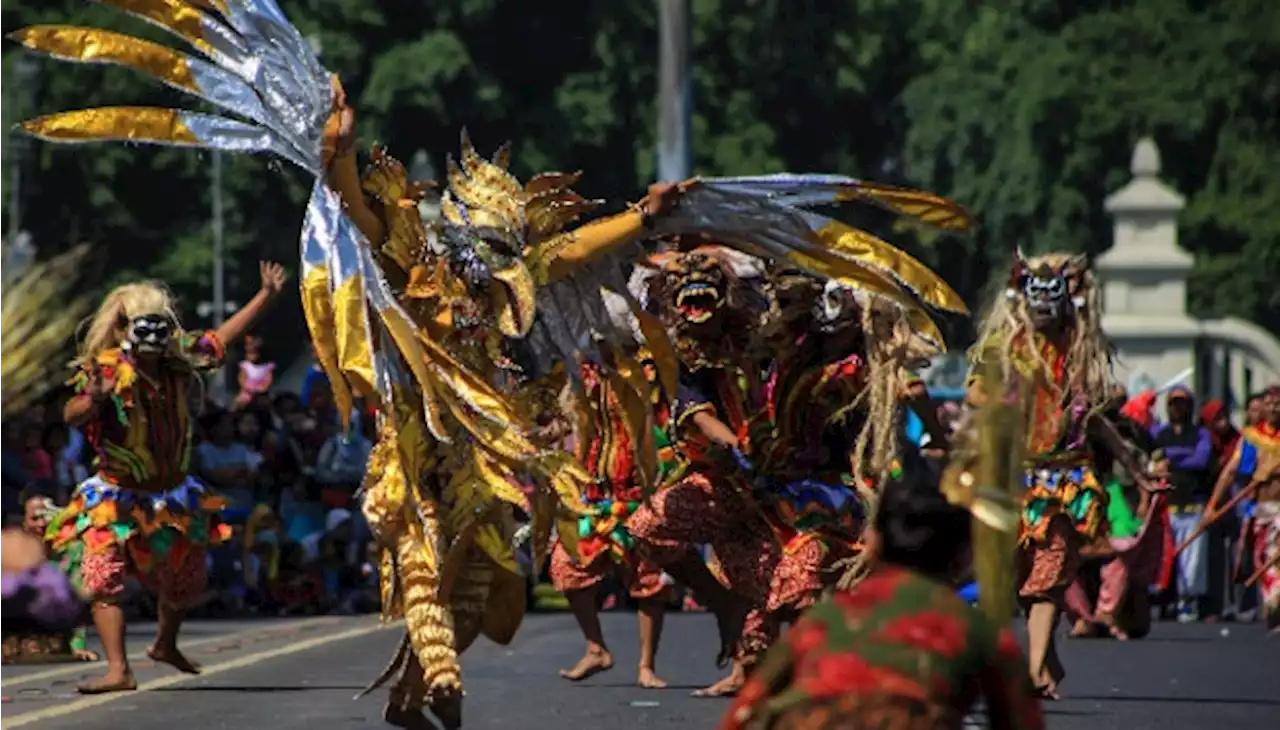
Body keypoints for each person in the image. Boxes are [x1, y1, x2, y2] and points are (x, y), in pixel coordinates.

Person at [49, 263, 286, 693]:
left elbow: (221, 338)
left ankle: (164, 644)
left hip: (173, 496)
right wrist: (95, 400)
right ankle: (119, 668)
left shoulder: (180, 358)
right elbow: (72, 413)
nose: (151, 340)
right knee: (104, 576)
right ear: (124, 329)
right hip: (115, 495)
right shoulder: (104, 369)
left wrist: (266, 295)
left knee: (187, 580)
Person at [967, 252, 1152, 699]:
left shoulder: (1078, 352)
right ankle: (1044, 659)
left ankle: (1032, 670)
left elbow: (1096, 422)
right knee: (1019, 581)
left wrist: (1137, 472)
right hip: (1014, 479)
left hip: (1067, 483)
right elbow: (974, 395)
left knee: (1049, 577)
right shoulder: (1003, 347)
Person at [719, 476, 1045, 730]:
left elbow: (745, 711)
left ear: (871, 544)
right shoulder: (977, 632)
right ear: (963, 557)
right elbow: (1022, 719)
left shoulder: (825, 621)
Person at [1205, 386, 1280, 631]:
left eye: (1278, 404)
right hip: (1259, 509)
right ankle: (1271, 602)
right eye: (1270, 404)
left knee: (1274, 557)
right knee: (1260, 560)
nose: (1274, 408)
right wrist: (1213, 505)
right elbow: (1232, 472)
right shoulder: (1252, 438)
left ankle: (1275, 599)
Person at [1, 493, 98, 664]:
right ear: (23, 521)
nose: (42, 523)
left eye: (47, 517)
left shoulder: (73, 550)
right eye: (35, 518)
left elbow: (77, 600)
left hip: (51, 628)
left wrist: (78, 646)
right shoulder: (8, 550)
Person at [1152, 386, 1213, 622]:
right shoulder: (1160, 433)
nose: (1178, 408)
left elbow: (1201, 459)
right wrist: (1178, 454)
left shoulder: (1200, 434)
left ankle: (1188, 602)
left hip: (1193, 506)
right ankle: (1163, 601)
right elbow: (1154, 459)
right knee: (1163, 557)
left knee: (1192, 560)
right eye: (1174, 403)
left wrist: (1171, 457)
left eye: (1182, 403)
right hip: (1166, 506)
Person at [234, 335, 275, 409]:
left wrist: (263, 387)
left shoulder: (267, 366)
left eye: (253, 353)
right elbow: (241, 377)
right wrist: (245, 386)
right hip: (247, 389)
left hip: (261, 391)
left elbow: (268, 378)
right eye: (248, 353)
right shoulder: (245, 365)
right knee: (242, 400)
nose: (249, 356)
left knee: (264, 403)